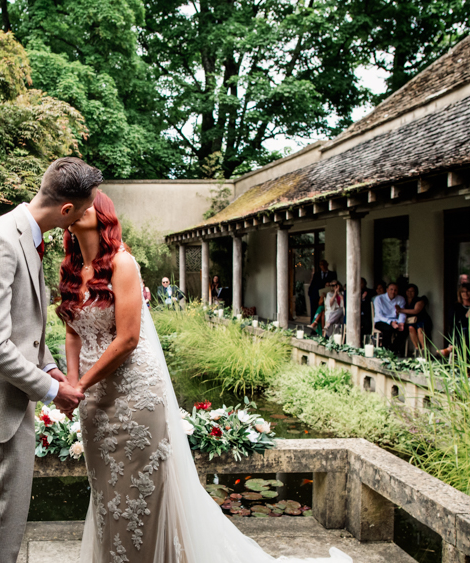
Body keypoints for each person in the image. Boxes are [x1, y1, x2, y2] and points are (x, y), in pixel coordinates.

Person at [59, 191, 351, 563]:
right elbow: (72, 331)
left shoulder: (123, 264)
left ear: (102, 214)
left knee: (140, 499)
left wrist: (81, 385)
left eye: (86, 202)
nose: (78, 207)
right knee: (107, 496)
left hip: (134, 397)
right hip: (94, 405)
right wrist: (71, 382)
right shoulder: (69, 270)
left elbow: (129, 338)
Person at [0, 157, 94, 563]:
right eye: (83, 210)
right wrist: (52, 391)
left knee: (10, 508)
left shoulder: (25, 236)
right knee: (5, 513)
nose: (85, 217)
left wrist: (48, 367)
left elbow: (22, 326)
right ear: (66, 211)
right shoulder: (0, 242)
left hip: (13, 386)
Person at [373, 282, 407, 353]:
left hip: (395, 320)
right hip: (381, 321)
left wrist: (401, 322)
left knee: (404, 330)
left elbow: (402, 312)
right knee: (388, 329)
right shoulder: (379, 299)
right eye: (391, 289)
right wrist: (390, 322)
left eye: (395, 290)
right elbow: (379, 315)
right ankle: (385, 350)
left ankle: (392, 349)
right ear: (387, 290)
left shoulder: (401, 299)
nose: (393, 292)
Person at [397, 284, 431, 356]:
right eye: (408, 291)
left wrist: (401, 310)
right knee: (411, 327)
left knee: (420, 329)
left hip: (422, 319)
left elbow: (416, 311)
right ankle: (417, 349)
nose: (410, 293)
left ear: (416, 292)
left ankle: (424, 350)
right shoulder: (403, 300)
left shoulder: (420, 300)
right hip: (410, 321)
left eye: (412, 291)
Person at [440, 283, 470, 357]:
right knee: (462, 333)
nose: (465, 293)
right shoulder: (455, 307)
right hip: (459, 333)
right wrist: (466, 316)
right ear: (460, 294)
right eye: (463, 291)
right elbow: (453, 323)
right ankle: (452, 347)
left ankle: (451, 349)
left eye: (468, 291)